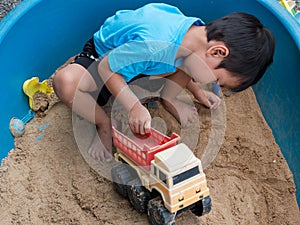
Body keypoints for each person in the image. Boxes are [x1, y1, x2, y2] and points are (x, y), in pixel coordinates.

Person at [52, 3, 275, 162]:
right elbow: (107, 67)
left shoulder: (197, 36)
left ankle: (169, 99)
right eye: (218, 80)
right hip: (104, 59)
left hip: (144, 66)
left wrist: (197, 92)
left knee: (192, 63)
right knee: (65, 82)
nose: (214, 83)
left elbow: (191, 64)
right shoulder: (155, 42)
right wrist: (134, 107)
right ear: (217, 51)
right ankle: (103, 123)